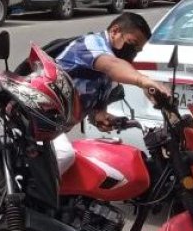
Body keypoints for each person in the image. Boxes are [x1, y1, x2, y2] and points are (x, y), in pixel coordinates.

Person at [53, 12, 172, 172]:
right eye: (132, 43)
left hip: (54, 126)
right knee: (63, 155)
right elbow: (112, 65)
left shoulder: (107, 77)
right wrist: (144, 81)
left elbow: (97, 113)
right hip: (36, 117)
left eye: (137, 50)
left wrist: (105, 118)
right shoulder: (92, 43)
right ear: (115, 31)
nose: (133, 52)